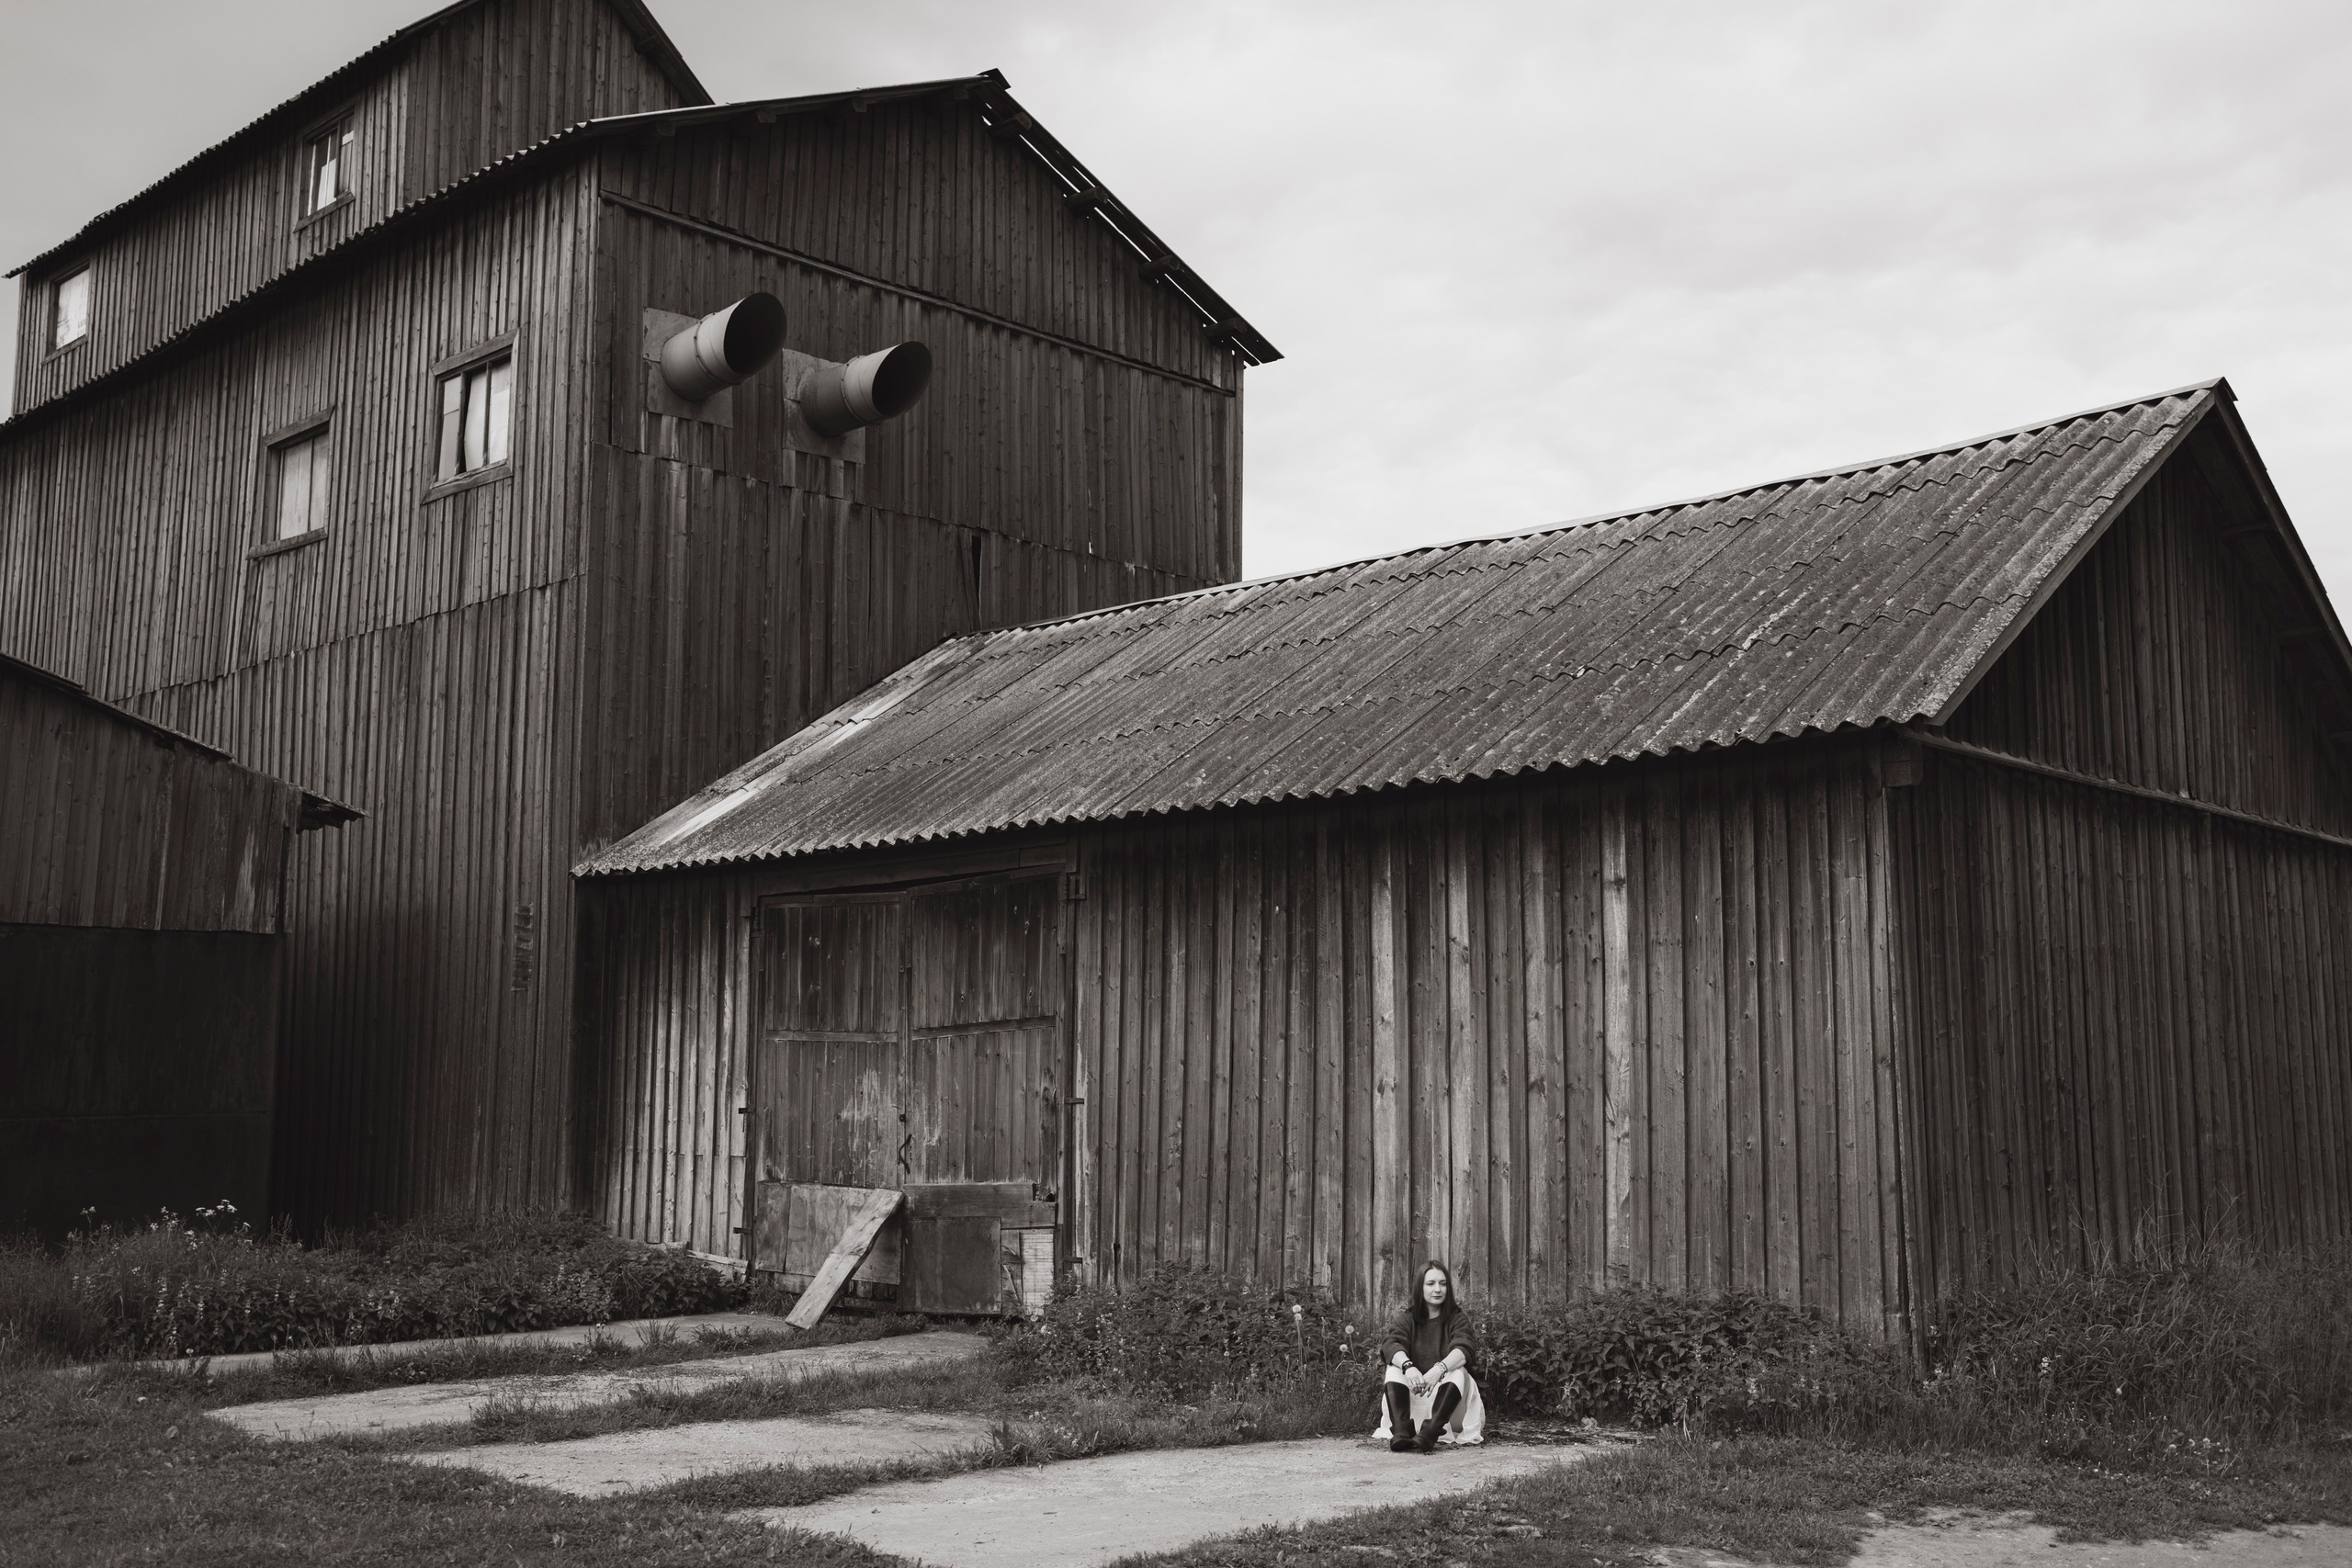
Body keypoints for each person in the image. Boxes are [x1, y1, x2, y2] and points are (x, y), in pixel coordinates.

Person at [1374, 1259, 1486, 1452]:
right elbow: (1391, 1345)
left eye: (1443, 1284)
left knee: (1457, 1369)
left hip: (1450, 1411)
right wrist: (1408, 1366)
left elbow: (1465, 1348)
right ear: (1420, 1287)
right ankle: (1401, 1430)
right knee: (1395, 1365)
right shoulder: (1407, 1320)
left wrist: (1439, 1369)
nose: (1438, 1289)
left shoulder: (1457, 1319)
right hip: (1416, 1400)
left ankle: (1432, 1431)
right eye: (1431, 1283)